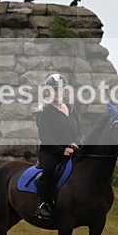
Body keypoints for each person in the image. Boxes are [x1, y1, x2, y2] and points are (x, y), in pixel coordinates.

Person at [34, 73, 82, 220]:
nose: (57, 92)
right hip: (50, 152)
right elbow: (46, 137)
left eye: (60, 89)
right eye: (54, 89)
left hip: (71, 150)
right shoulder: (45, 111)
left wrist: (76, 142)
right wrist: (62, 151)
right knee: (50, 169)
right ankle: (41, 205)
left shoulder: (71, 109)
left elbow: (79, 129)